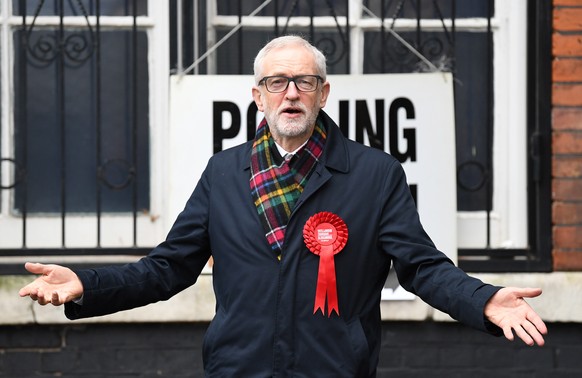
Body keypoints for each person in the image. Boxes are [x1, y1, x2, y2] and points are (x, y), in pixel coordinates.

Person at [19, 35, 547, 377]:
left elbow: (422, 267)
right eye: (277, 82)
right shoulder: (224, 173)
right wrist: (87, 284)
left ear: (324, 93)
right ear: (258, 95)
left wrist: (484, 300)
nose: (290, 93)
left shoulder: (374, 173)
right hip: (238, 371)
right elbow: (167, 269)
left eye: (304, 82)